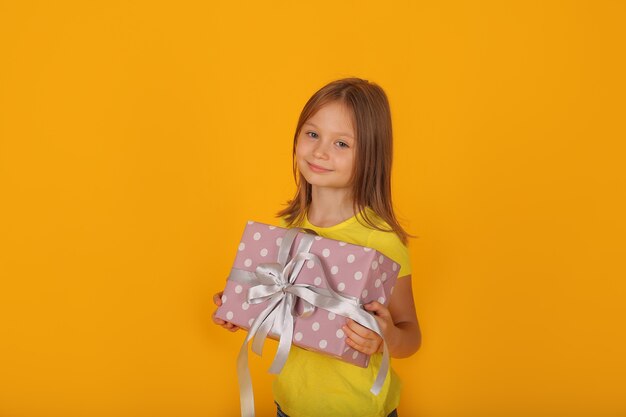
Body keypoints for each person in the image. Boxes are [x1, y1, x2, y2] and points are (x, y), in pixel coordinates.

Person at [212, 77, 421, 417]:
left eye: (342, 144)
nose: (320, 151)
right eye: (312, 134)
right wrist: (243, 306)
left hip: (357, 409)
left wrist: (385, 340)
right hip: (289, 405)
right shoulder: (282, 233)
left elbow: (410, 333)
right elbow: (287, 316)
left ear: (371, 155)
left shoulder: (381, 240)